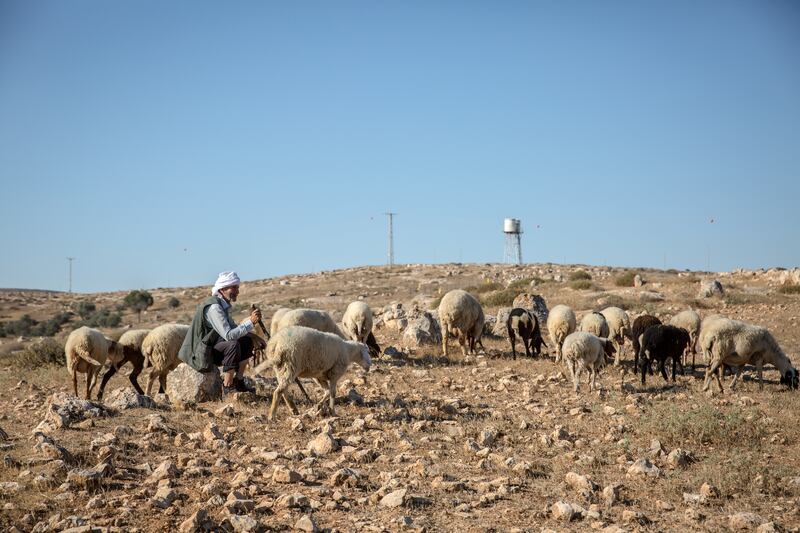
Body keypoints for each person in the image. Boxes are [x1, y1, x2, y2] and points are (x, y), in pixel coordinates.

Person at [178, 271, 265, 393]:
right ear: (223, 289)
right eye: (234, 288)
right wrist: (250, 322)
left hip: (211, 347)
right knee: (233, 345)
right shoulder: (214, 308)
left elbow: (234, 328)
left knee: (246, 341)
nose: (237, 291)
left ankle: (238, 382)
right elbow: (229, 335)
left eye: (237, 287)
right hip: (201, 353)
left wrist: (254, 337)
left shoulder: (223, 306)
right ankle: (227, 387)